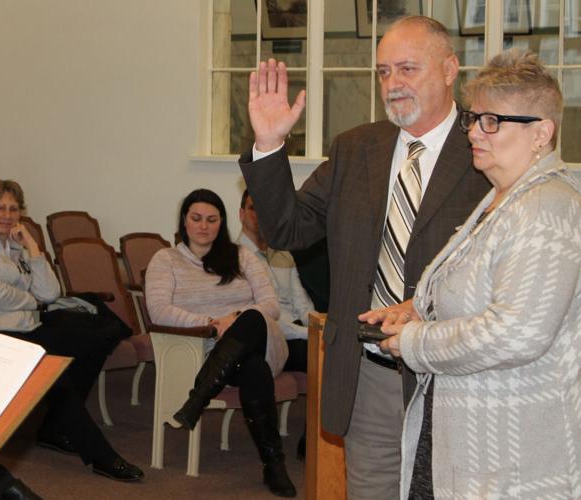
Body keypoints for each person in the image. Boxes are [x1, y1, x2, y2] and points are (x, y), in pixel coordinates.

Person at [239, 16, 492, 498]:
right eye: (382, 72)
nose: (392, 84)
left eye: (407, 69)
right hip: (369, 371)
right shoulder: (357, 148)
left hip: (453, 377)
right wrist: (270, 145)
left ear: (449, 69)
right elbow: (286, 228)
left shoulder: (485, 147)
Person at [360, 49, 581, 499]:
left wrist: (415, 342)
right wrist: (416, 310)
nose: (475, 132)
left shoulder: (546, 206)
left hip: (511, 451)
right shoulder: (502, 197)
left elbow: (517, 333)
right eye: (474, 118)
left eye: (493, 122)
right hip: (469, 434)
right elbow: (475, 288)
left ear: (542, 133)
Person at [0, 179, 144, 482]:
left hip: (24, 325)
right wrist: (32, 301)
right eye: (0, 208)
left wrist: (33, 248)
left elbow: (51, 292)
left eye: (14, 209)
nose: (8, 215)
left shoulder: (14, 245)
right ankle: (100, 455)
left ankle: (54, 427)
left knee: (95, 337)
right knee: (55, 373)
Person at [146, 189, 296, 497]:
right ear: (183, 221)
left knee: (252, 318)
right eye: (196, 218)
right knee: (254, 371)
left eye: (212, 219)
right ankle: (273, 465)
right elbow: (159, 310)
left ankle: (198, 397)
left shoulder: (241, 255)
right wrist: (211, 326)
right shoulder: (166, 259)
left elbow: (271, 305)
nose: (204, 226)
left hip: (262, 343)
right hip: (201, 348)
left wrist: (234, 319)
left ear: (222, 222)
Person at [238, 189, 314, 373]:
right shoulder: (236, 259)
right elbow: (261, 318)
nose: (259, 216)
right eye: (253, 208)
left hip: (299, 332)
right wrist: (309, 334)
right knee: (318, 354)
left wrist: (319, 328)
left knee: (339, 348)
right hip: (273, 337)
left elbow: (302, 306)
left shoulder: (284, 254)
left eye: (265, 210)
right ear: (241, 214)